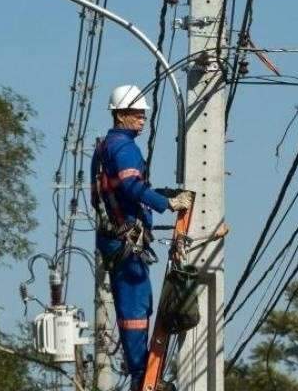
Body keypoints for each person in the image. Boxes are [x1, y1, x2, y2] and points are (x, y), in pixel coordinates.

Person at [90, 84, 192, 390]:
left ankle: (142, 375)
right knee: (135, 309)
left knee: (137, 307)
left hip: (116, 239)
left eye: (144, 113)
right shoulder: (123, 147)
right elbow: (131, 186)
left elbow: (125, 191)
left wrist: (160, 196)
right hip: (124, 241)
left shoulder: (107, 146)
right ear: (120, 115)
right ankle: (140, 378)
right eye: (137, 113)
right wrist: (167, 204)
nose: (142, 119)